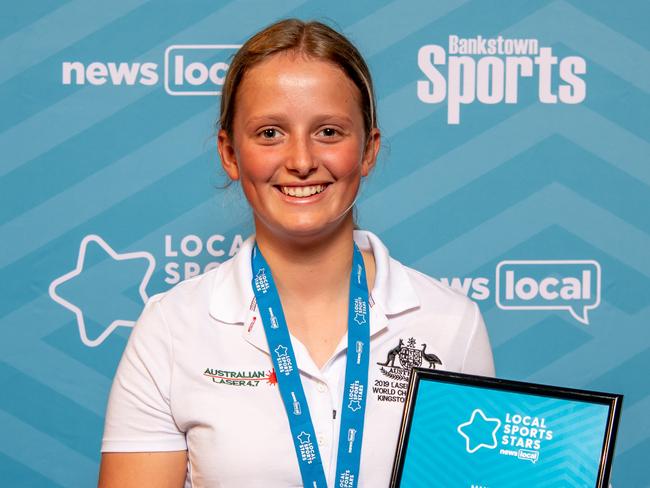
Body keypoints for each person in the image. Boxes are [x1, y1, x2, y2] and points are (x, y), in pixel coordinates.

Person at [98, 18, 494, 488]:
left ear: (369, 149)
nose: (302, 161)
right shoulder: (171, 328)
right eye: (269, 133)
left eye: (328, 131)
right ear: (229, 153)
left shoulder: (451, 325)